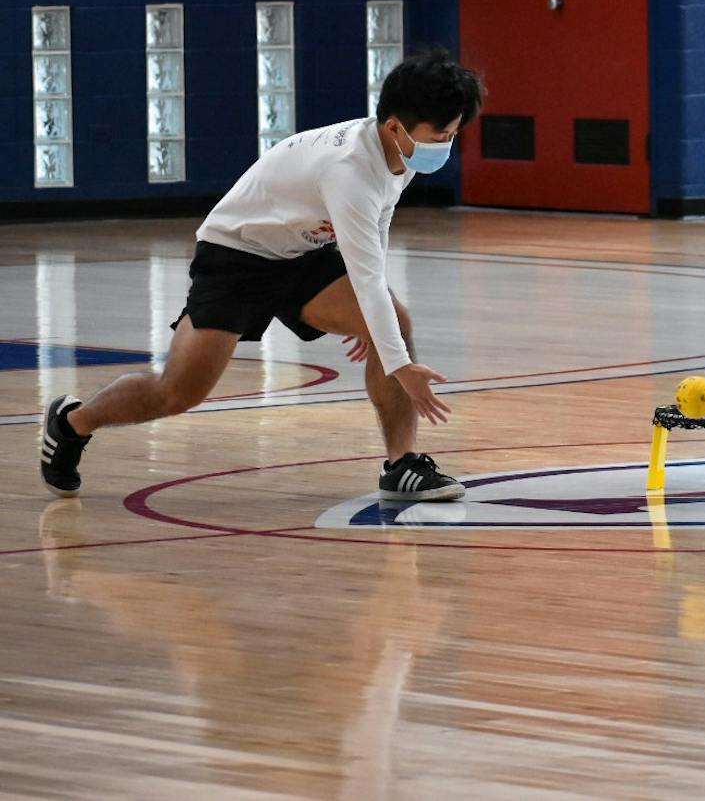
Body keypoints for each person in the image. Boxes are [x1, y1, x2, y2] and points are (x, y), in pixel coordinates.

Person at [40, 48, 483, 501]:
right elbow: (367, 274)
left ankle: (401, 464)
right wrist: (400, 364)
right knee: (175, 393)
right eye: (441, 134)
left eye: (452, 134)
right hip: (238, 256)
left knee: (394, 319)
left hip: (304, 251)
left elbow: (376, 235)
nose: (446, 145)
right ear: (395, 126)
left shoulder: (396, 154)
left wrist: (378, 319)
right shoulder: (348, 171)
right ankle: (73, 422)